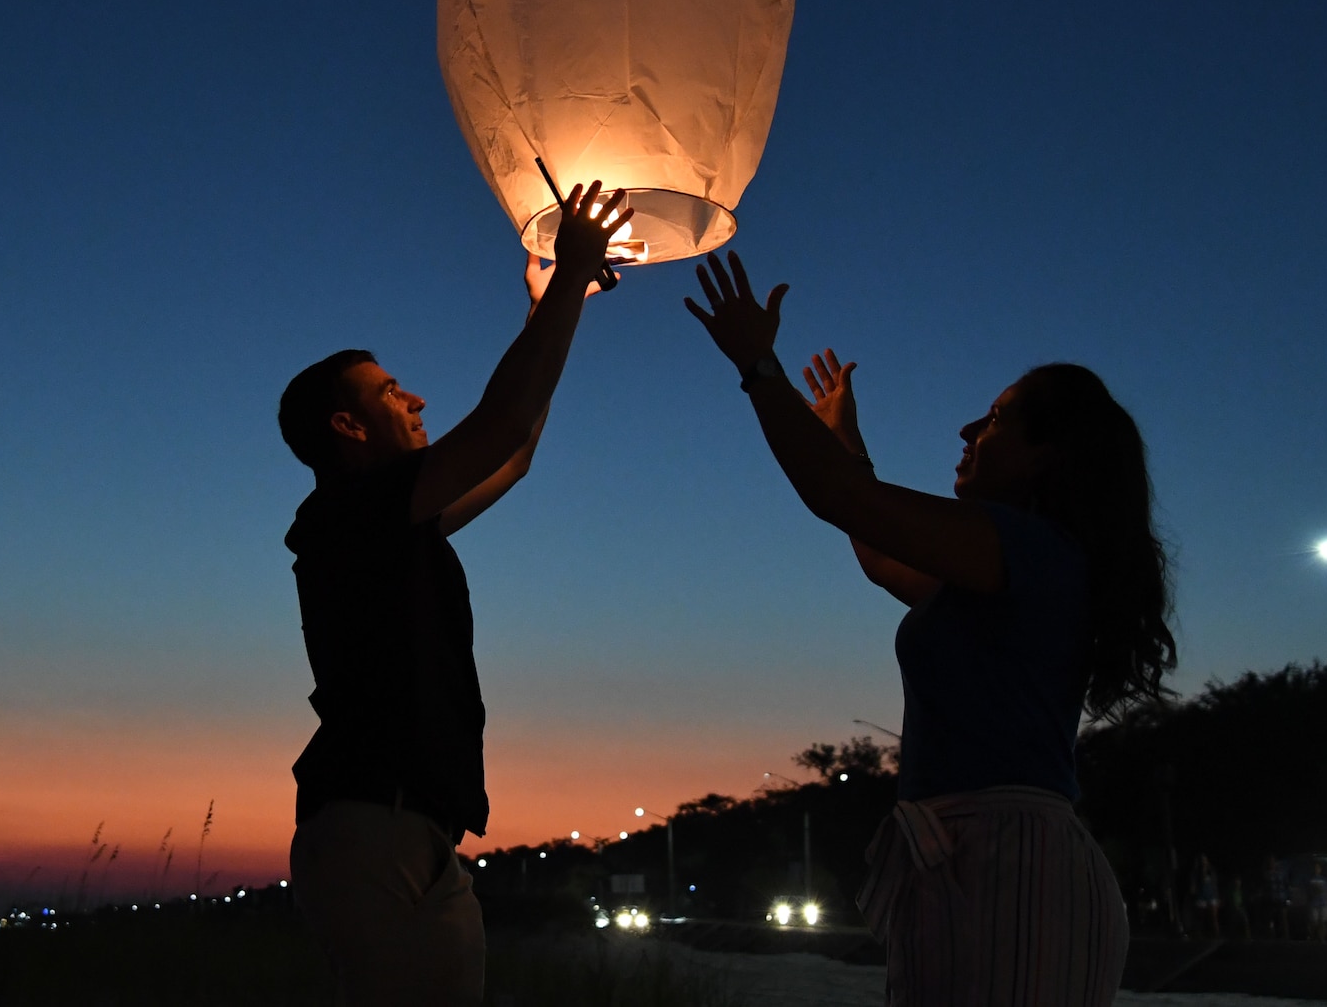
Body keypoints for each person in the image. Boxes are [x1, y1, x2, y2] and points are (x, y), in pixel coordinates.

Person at [685, 251, 1177, 1007]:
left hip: (1010, 868)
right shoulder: (1014, 561)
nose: (969, 426)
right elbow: (879, 548)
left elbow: (844, 498)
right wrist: (842, 438)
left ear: (1049, 454)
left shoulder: (1030, 550)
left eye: (997, 417)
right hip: (979, 862)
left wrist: (759, 364)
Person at [277, 182, 629, 1006]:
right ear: (348, 427)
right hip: (371, 832)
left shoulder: (394, 522)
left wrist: (553, 300)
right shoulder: (347, 510)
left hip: (419, 832)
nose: (418, 398)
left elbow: (513, 453)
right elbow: (499, 427)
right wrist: (571, 276)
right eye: (392, 391)